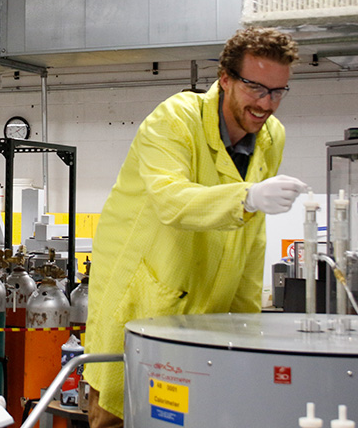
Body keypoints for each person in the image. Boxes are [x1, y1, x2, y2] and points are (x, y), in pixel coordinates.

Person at [83, 26, 308, 428]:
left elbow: (251, 239)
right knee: (120, 413)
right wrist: (248, 197)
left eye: (278, 92)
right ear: (224, 79)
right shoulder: (174, 120)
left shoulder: (272, 137)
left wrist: (246, 325)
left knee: (192, 417)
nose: (266, 104)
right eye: (256, 88)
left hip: (208, 309)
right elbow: (172, 201)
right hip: (144, 299)